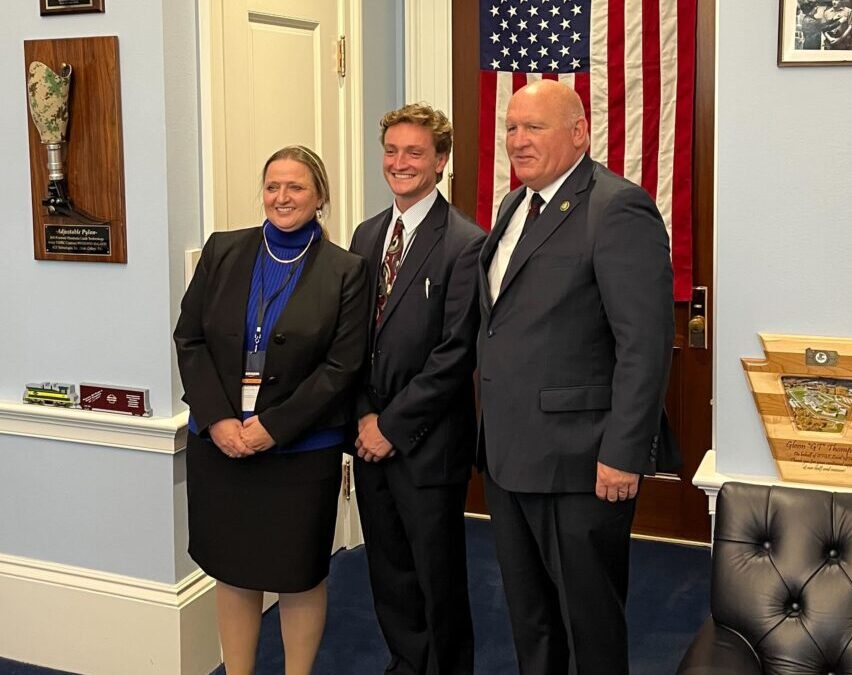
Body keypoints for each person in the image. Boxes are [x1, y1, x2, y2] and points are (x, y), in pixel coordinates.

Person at [477, 80, 677, 674]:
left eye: (533, 127)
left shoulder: (617, 207)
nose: (517, 140)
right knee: (530, 620)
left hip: (582, 463)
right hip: (509, 457)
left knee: (588, 625)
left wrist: (623, 452)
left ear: (578, 131)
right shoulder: (515, 205)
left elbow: (643, 345)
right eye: (511, 128)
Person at [173, 146, 368, 675]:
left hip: (301, 452)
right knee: (232, 571)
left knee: (298, 574)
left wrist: (272, 429)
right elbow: (188, 338)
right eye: (273, 186)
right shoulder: (223, 251)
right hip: (219, 445)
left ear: (320, 196)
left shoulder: (346, 271)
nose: (282, 197)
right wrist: (218, 420)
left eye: (296, 187)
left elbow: (341, 367)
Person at [349, 103, 484, 675]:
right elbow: (349, 340)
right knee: (389, 569)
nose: (399, 163)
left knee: (436, 573)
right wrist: (362, 418)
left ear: (441, 162)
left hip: (427, 444)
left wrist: (392, 426)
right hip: (366, 434)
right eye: (392, 151)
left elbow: (455, 354)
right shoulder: (366, 233)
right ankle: (407, 662)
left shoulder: (464, 242)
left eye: (414, 153)